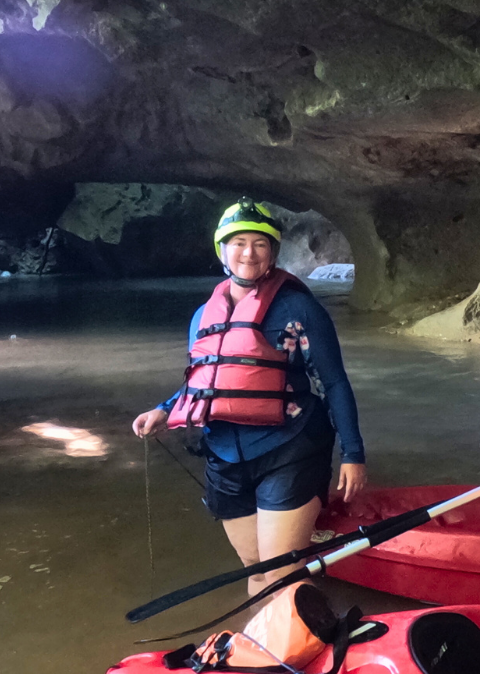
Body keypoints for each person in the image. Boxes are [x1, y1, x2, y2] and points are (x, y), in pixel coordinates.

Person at [132, 200, 367, 598]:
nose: (248, 253)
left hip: (290, 448)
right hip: (224, 456)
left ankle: (306, 650)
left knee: (283, 572)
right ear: (222, 250)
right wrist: (164, 410)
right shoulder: (204, 315)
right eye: (238, 242)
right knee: (255, 569)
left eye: (260, 244)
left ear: (273, 252)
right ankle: (263, 656)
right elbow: (207, 379)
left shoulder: (299, 308)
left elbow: (334, 382)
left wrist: (353, 453)